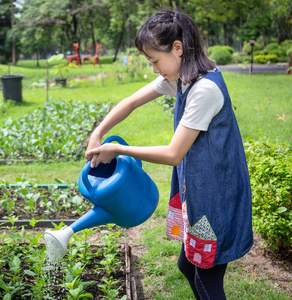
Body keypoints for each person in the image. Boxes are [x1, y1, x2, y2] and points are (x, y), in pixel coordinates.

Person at [85, 9, 253, 300]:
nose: (154, 69)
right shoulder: (181, 77)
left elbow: (174, 153)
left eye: (154, 60)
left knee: (207, 279)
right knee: (187, 267)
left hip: (216, 195)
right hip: (200, 188)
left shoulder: (205, 90)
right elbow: (131, 102)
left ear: (178, 48)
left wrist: (119, 149)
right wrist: (98, 132)